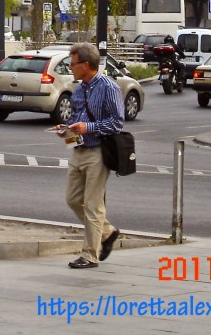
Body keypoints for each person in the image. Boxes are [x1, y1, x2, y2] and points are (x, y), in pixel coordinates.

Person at [59, 42, 124, 270]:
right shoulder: (80, 89)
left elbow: (117, 122)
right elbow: (76, 117)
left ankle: (90, 255)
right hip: (77, 149)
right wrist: (66, 128)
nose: (70, 68)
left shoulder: (108, 87)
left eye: (73, 64)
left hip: (97, 151)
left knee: (93, 205)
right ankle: (107, 232)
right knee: (73, 199)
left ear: (86, 65)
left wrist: (89, 128)